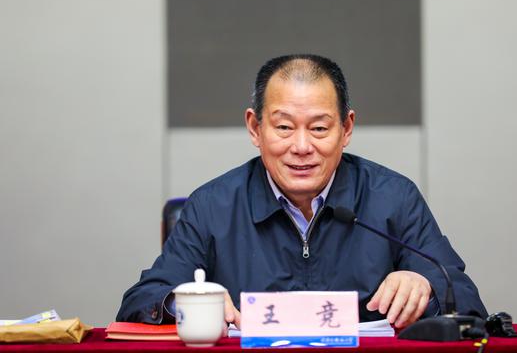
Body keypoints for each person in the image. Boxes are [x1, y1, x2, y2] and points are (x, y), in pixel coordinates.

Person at [116, 54, 487, 330]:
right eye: (283, 127)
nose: (302, 147)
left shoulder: (393, 198)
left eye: (320, 128)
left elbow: (466, 298)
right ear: (255, 128)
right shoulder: (212, 206)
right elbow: (140, 301)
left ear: (346, 129)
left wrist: (427, 286)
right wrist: (182, 302)